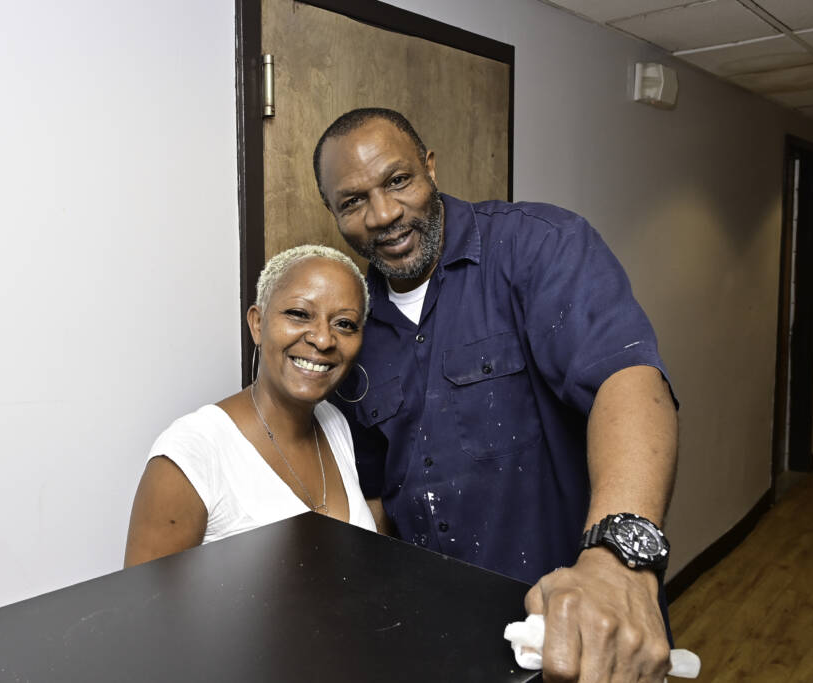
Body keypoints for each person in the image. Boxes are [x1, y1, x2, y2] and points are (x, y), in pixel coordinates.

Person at [314, 108, 679, 682]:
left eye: (398, 180)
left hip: (579, 636)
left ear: (430, 167)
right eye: (353, 202)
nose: (383, 214)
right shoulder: (350, 326)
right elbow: (379, 494)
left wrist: (621, 562)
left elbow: (628, 381)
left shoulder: (538, 247)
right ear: (333, 214)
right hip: (442, 643)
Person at [124, 245, 377, 567]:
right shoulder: (193, 451)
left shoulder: (333, 423)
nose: (324, 339)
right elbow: (143, 610)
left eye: (344, 324)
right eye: (299, 314)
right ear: (258, 324)